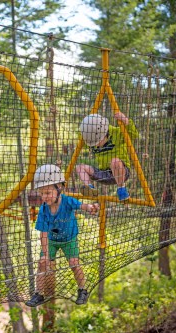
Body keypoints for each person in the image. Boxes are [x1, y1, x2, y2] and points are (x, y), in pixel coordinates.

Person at [26, 165, 99, 307]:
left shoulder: (67, 201)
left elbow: (81, 205)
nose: (44, 197)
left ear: (59, 188)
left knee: (74, 263)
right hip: (52, 241)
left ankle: (82, 290)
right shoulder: (43, 210)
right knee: (42, 263)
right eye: (41, 193)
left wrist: (90, 208)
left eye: (47, 192)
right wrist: (46, 255)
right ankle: (38, 294)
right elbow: (44, 234)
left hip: (69, 240)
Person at [75, 112, 138, 201]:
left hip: (121, 172)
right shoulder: (90, 138)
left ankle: (121, 189)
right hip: (104, 174)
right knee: (79, 168)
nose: (96, 145)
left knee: (114, 161)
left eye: (97, 142)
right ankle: (90, 188)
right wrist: (86, 128)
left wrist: (125, 120)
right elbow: (80, 138)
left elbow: (133, 135)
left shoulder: (116, 134)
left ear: (105, 133)